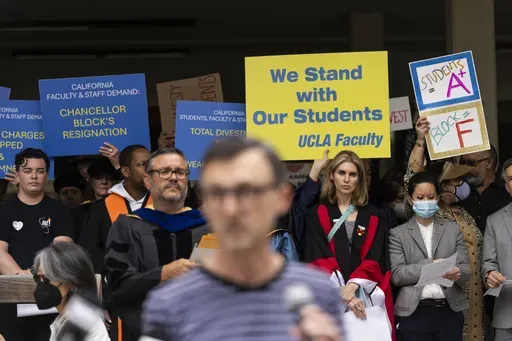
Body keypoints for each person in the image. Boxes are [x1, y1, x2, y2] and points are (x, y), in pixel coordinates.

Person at [140, 138, 343, 341]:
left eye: (248, 191)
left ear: (281, 199)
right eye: (218, 192)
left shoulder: (319, 295)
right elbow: (198, 267)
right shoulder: (169, 303)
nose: (232, 207)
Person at [105, 147, 209, 341]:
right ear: (147, 180)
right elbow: (118, 287)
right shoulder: (127, 227)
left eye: (180, 172)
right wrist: (163, 274)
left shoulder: (207, 227)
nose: (173, 177)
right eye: (164, 171)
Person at [406, 117, 487, 341]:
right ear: (441, 186)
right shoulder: (433, 213)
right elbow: (413, 179)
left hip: (475, 297)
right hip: (447, 300)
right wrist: (421, 139)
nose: (461, 185)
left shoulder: (463, 214)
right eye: (455, 180)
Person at [302, 150, 394, 336]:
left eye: (352, 174)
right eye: (341, 173)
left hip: (365, 295)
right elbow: (317, 257)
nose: (346, 179)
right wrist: (344, 294)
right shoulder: (317, 214)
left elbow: (376, 257)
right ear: (331, 176)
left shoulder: (374, 215)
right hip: (330, 296)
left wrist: (352, 288)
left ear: (359, 179)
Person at [0, 148, 74, 341]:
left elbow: (62, 250)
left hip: (52, 298)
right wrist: (23, 278)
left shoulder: (60, 210)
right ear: (17, 174)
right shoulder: (4, 210)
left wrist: (38, 276)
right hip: (12, 301)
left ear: (46, 175)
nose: (34, 176)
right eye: (27, 170)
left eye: (40, 171)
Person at [390, 171, 471, 341]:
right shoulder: (398, 234)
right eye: (420, 197)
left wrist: (457, 273)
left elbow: (466, 271)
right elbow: (397, 275)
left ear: (438, 198)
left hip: (448, 311)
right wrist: (431, 265)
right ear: (411, 199)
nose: (425, 202)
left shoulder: (452, 229)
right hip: (413, 312)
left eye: (430, 196)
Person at [80, 145, 152, 274]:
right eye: (142, 164)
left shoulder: (164, 203)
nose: (150, 170)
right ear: (125, 172)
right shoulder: (101, 208)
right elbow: (90, 250)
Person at [32, 242, 110, 341]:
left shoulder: (83, 321)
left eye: (46, 279)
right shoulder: (63, 320)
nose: (41, 285)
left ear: (70, 281)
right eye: (38, 278)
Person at [482, 157, 512, 341]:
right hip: (508, 316)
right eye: (511, 178)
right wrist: (490, 274)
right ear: (507, 187)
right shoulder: (494, 221)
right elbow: (488, 263)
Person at [459, 145, 510, 234]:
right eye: (463, 162)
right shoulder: (458, 190)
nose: (465, 167)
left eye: (471, 162)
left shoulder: (507, 190)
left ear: (489, 163)